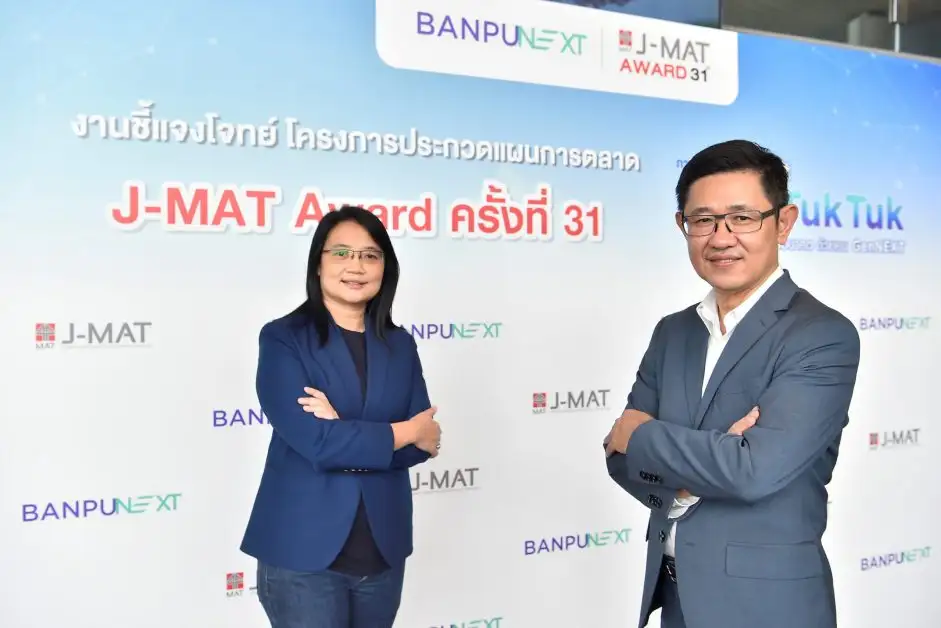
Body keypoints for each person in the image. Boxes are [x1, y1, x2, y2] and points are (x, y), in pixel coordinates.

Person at [604, 140, 860, 628]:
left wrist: (642, 436)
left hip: (766, 607)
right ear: (682, 225)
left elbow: (754, 470)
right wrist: (692, 479)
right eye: (703, 220)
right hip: (677, 600)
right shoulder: (672, 332)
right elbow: (619, 460)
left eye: (742, 218)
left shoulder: (821, 334)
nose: (721, 238)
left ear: (783, 223)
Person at [240, 205, 442, 628]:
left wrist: (347, 431)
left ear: (386, 267)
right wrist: (402, 432)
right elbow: (317, 443)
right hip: (303, 557)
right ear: (318, 264)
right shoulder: (284, 339)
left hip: (382, 553)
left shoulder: (400, 345)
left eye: (370, 255)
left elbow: (424, 444)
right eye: (342, 253)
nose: (356, 266)